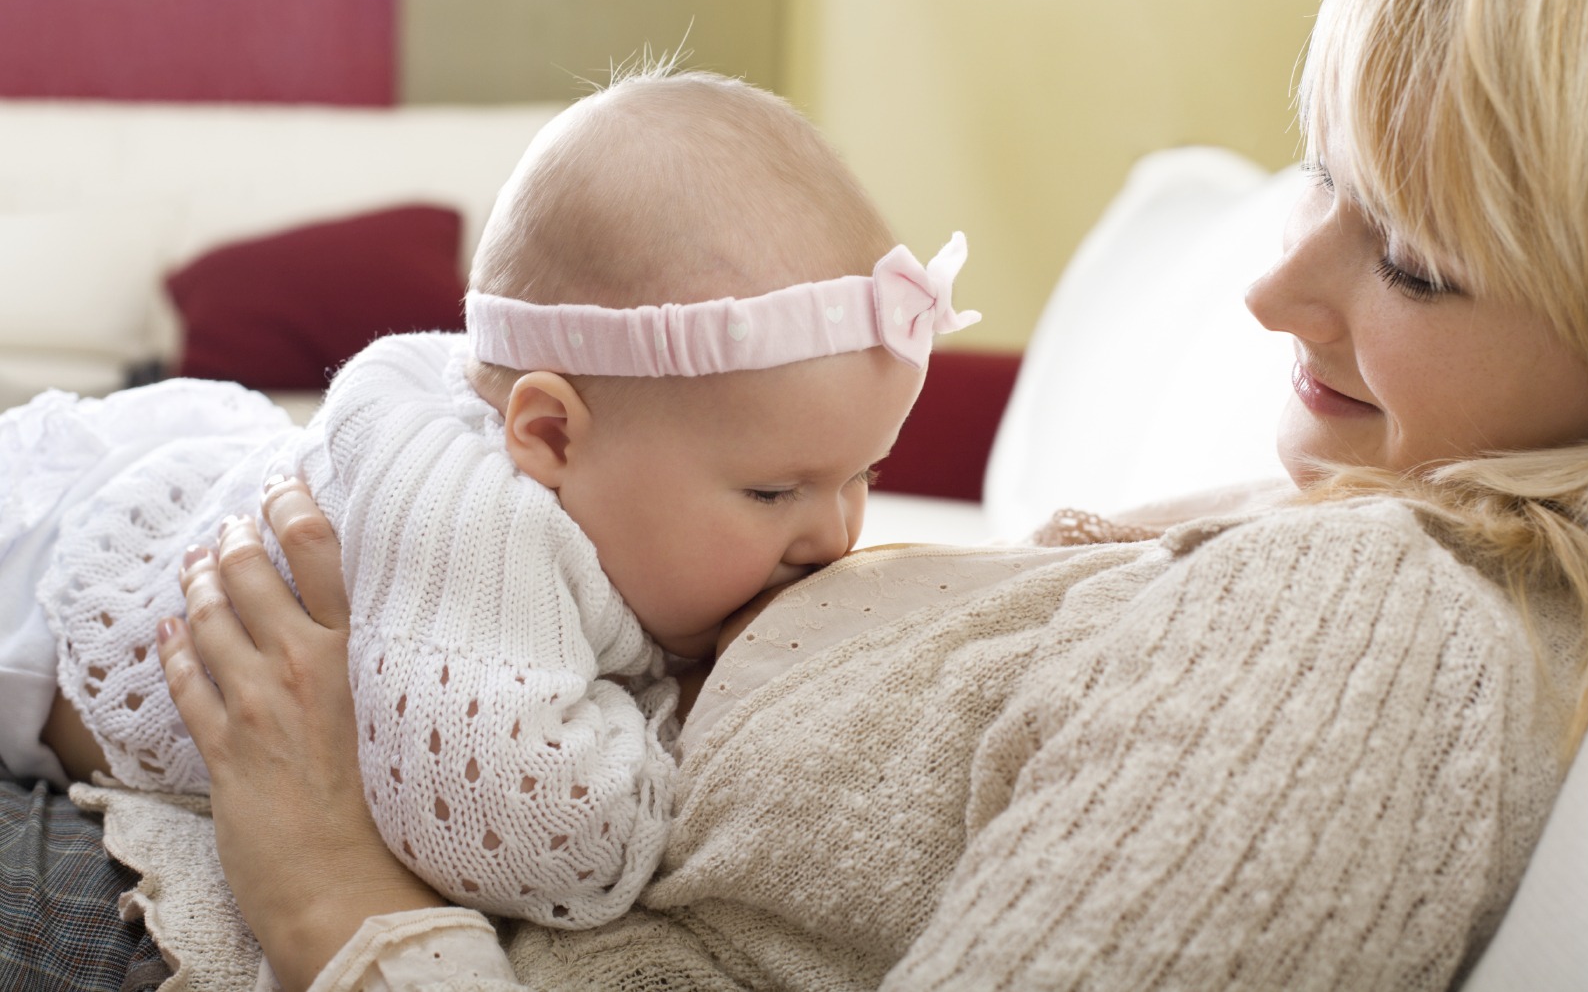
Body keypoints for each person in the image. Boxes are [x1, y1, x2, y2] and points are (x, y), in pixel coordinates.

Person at [11, 0, 1588, 988]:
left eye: (1408, 256)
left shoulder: (1376, 635)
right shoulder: (1338, 527)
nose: (1270, 290)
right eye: (1320, 174)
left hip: (205, 897)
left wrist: (338, 900)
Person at [0, 72, 974, 938]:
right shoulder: (477, 524)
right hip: (29, 578)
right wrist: (687, 710)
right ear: (548, 435)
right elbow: (517, 830)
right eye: (773, 491)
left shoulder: (604, 492)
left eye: (864, 475)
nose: (835, 534)